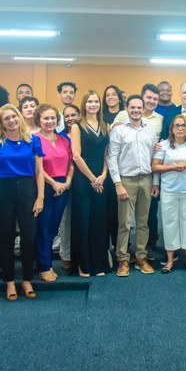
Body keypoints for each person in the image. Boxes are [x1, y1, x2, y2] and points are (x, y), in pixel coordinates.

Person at [0, 104, 45, 301]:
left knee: (29, 237)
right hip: (3, 190)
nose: (11, 121)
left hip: (28, 189)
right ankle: (9, 281)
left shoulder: (33, 141)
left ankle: (27, 280)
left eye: (13, 117)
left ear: (19, 117)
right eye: (6, 119)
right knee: (6, 238)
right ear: (1, 123)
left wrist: (40, 197)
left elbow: (39, 172)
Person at [109, 95, 160, 276]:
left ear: (144, 108)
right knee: (124, 223)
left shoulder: (150, 131)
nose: (136, 110)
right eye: (133, 107)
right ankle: (122, 259)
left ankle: (140, 257)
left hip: (146, 179)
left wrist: (155, 182)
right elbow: (112, 158)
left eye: (139, 107)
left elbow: (155, 158)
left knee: (143, 222)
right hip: (126, 180)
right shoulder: (118, 130)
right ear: (127, 108)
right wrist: (118, 183)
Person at [69, 90, 111, 277]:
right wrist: (92, 178)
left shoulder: (105, 125)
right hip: (83, 179)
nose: (93, 104)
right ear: (84, 105)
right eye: (89, 102)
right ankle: (83, 264)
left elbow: (106, 155)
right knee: (83, 221)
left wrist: (102, 175)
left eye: (96, 101)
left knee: (99, 222)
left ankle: (98, 263)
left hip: (102, 179)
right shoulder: (78, 126)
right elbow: (76, 156)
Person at [152, 115, 186, 273]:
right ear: (171, 129)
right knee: (169, 223)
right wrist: (173, 167)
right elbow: (155, 167)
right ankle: (170, 261)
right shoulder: (163, 145)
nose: (180, 128)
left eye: (183, 126)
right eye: (177, 125)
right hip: (169, 191)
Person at [35, 104, 74, 282]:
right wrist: (54, 183)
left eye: (53, 118)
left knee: (53, 228)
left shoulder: (64, 139)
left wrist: (66, 183)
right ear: (39, 120)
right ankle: (44, 266)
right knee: (43, 227)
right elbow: (37, 168)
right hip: (44, 187)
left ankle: (43, 260)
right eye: (46, 118)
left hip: (63, 187)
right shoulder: (34, 139)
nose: (50, 121)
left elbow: (71, 163)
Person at [57, 103, 80, 271]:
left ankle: (82, 253)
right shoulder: (61, 137)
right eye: (67, 116)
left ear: (79, 115)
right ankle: (66, 255)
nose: (71, 118)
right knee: (66, 219)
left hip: (85, 179)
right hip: (66, 179)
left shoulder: (84, 132)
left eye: (74, 114)